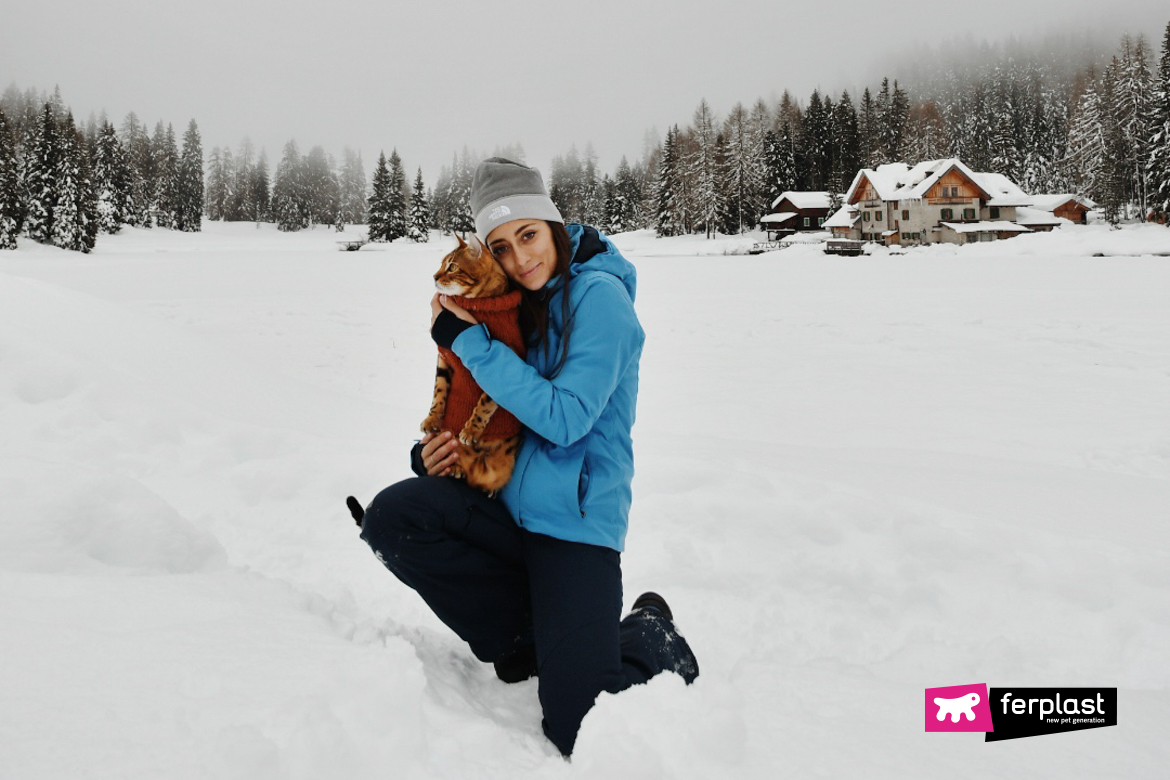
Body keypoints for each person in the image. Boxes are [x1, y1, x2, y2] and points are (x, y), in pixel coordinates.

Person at [358, 157, 698, 757]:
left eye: (529, 235)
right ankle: (531, 641)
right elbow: (487, 405)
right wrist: (437, 452)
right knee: (394, 518)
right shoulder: (516, 302)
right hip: (509, 510)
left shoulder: (602, 301)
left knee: (576, 726)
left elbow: (566, 421)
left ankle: (649, 633)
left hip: (575, 529)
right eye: (502, 247)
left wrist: (469, 342)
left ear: (554, 225)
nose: (521, 259)